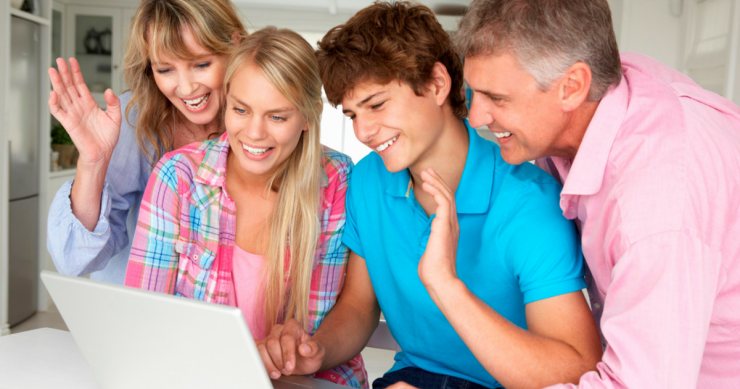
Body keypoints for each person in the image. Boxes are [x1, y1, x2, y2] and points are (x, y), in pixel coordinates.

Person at [257, 3, 602, 389]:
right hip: (411, 377)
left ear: (438, 84)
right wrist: (316, 350)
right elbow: (357, 306)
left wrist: (443, 282)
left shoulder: (529, 201)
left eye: (376, 104)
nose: (364, 132)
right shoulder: (369, 180)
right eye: (352, 114)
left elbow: (576, 371)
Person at [444, 0, 739, 388]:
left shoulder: (655, 205)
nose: (476, 116)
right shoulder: (609, 88)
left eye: (497, 98)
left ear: (572, 87)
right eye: (473, 93)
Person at [123, 27, 367, 388]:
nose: (254, 133)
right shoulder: (178, 178)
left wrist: (309, 350)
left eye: (278, 117)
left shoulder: (339, 182)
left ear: (307, 119)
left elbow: (349, 311)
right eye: (241, 109)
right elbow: (143, 317)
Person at [47, 0, 245, 284]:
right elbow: (73, 262)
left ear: (234, 45)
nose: (186, 87)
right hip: (135, 308)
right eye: (165, 70)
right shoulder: (132, 117)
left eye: (201, 64)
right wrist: (93, 163)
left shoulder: (256, 119)